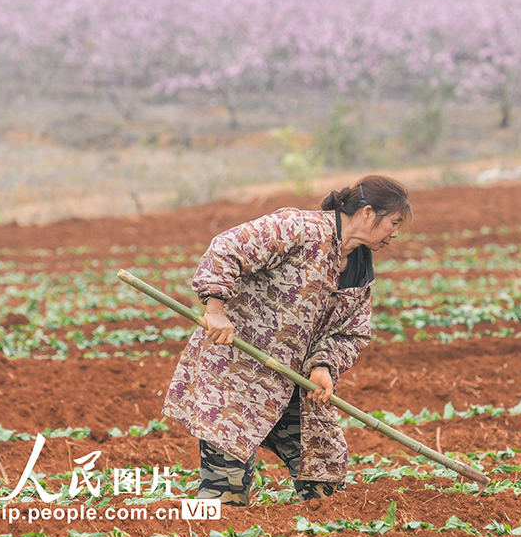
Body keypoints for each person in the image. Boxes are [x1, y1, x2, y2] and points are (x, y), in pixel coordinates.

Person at [162, 175, 411, 505]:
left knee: (325, 483)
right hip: (236, 379)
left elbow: (352, 333)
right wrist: (216, 308)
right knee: (226, 494)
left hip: (293, 386)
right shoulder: (298, 228)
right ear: (367, 213)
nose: (395, 233)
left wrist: (324, 365)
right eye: (393, 223)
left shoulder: (361, 267)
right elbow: (227, 247)